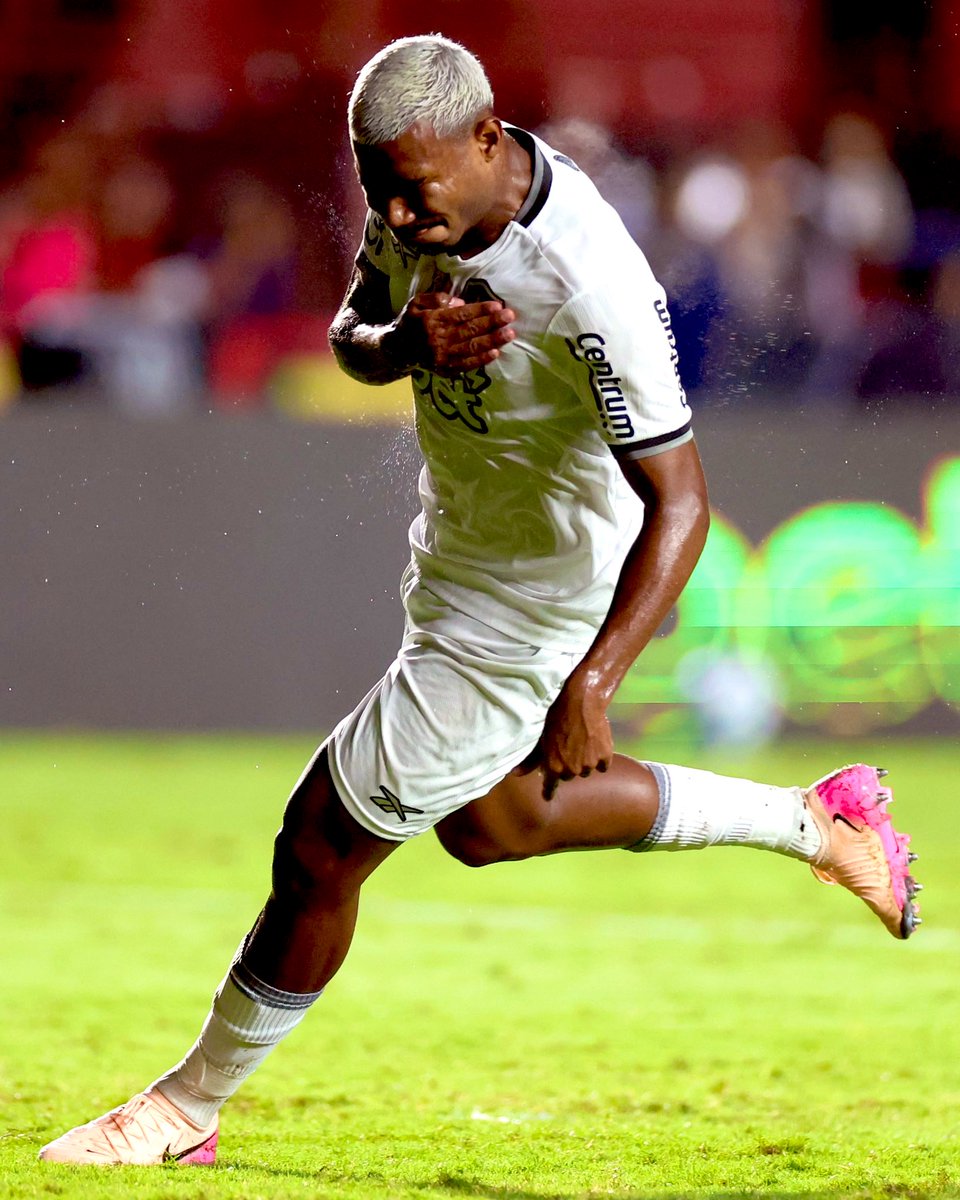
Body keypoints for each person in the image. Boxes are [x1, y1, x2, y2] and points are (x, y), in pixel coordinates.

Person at [39, 36, 921, 1167]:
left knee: (322, 845)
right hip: (459, 557)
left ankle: (182, 1112)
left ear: (488, 138)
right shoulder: (416, 196)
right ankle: (816, 824)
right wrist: (403, 342)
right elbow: (351, 340)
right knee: (492, 822)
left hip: (537, 595)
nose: (401, 218)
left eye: (415, 192)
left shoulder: (588, 280)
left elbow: (684, 504)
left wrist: (595, 682)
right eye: (382, 195)